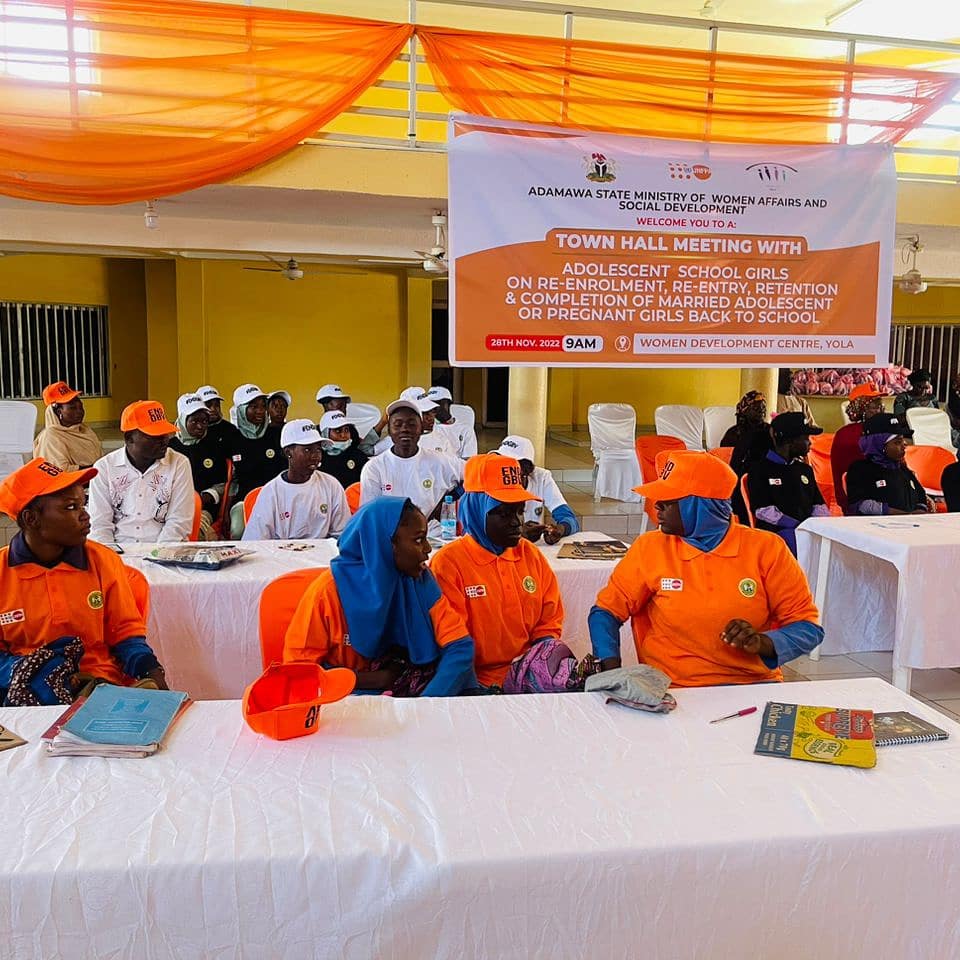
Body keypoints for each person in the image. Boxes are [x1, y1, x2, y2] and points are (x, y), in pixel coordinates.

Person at [588, 450, 823, 687]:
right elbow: (605, 612)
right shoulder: (649, 548)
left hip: (751, 686)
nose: (656, 506)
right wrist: (611, 672)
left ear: (700, 506)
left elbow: (808, 628)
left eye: (668, 500)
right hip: (671, 689)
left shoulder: (766, 549)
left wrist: (763, 643)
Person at [0, 458, 168, 705]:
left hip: (100, 687)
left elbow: (126, 635)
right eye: (70, 507)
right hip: (22, 694)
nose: (85, 516)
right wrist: (38, 670)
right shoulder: (3, 573)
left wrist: (152, 674)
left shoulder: (103, 561)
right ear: (31, 519)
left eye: (83, 504)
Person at [283, 497, 476, 696]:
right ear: (383, 544)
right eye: (418, 539)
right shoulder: (328, 592)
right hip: (345, 701)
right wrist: (375, 679)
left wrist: (428, 703)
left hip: (411, 696)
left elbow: (459, 647)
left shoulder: (420, 580)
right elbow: (299, 670)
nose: (428, 549)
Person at [431, 453, 565, 690]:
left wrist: (540, 670)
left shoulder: (531, 556)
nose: (516, 522)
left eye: (519, 511)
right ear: (476, 510)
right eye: (504, 513)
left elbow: (548, 623)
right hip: (469, 683)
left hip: (526, 678)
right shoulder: (448, 564)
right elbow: (454, 646)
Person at [88, 401, 195, 544]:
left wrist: (157, 556)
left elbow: (179, 522)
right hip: (118, 552)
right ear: (129, 438)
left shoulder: (179, 463)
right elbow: (100, 526)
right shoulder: (104, 468)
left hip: (167, 550)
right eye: (155, 436)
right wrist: (112, 559)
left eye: (165, 434)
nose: (164, 441)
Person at [359, 399, 462, 535]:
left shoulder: (440, 460)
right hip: (392, 539)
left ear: (421, 429)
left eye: (411, 424)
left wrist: (451, 497)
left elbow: (475, 472)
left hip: (433, 536)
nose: (405, 429)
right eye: (398, 424)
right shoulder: (374, 468)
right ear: (389, 431)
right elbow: (370, 517)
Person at [243, 420, 349, 541]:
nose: (316, 456)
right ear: (288, 452)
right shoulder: (271, 493)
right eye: (308, 450)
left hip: (322, 557)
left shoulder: (331, 485)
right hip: (282, 557)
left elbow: (342, 533)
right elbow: (256, 542)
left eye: (318, 449)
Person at [745, 412, 830, 555]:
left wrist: (817, 526)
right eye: (805, 438)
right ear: (790, 442)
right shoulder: (760, 469)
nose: (810, 442)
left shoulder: (805, 470)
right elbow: (763, 510)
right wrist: (797, 526)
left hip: (807, 530)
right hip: (778, 533)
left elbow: (819, 505)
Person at [494, 435, 579, 544]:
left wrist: (559, 530)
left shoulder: (542, 478)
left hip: (532, 549)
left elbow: (570, 520)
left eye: (512, 464)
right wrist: (518, 533)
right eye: (500, 461)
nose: (504, 469)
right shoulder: (490, 479)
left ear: (526, 469)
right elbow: (478, 527)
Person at [169, 393, 230, 539]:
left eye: (204, 421)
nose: (200, 426)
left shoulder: (214, 446)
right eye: (194, 421)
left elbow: (222, 483)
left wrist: (207, 496)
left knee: (195, 531)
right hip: (170, 508)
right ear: (183, 420)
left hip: (203, 509)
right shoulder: (169, 448)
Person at [846, 413, 932, 516]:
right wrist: (899, 514)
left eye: (903, 441)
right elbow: (859, 504)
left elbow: (920, 494)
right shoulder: (860, 469)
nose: (904, 446)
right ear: (879, 444)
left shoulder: (902, 468)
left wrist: (919, 509)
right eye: (897, 442)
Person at [229, 383, 285, 538]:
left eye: (263, 406)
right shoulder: (231, 438)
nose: (260, 411)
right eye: (254, 407)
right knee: (238, 529)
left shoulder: (276, 435)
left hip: (278, 500)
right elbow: (229, 480)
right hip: (244, 501)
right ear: (241, 409)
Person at [831, 383, 885, 513]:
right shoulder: (847, 435)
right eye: (875, 406)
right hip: (861, 502)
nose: (881, 410)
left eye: (881, 405)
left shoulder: (881, 430)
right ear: (862, 408)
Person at [32, 381, 103, 471]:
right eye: (72, 408)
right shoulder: (50, 437)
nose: (80, 411)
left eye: (81, 407)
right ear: (58, 412)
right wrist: (96, 470)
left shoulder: (85, 430)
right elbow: (61, 472)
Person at [895, 368, 960, 449]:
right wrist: (920, 418)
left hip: (934, 428)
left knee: (952, 434)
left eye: (926, 388)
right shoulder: (903, 398)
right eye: (919, 387)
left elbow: (937, 416)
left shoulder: (932, 398)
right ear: (913, 384)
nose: (923, 391)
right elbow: (899, 419)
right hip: (915, 430)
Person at [316, 384, 379, 456]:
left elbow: (360, 450)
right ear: (327, 406)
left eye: (345, 407)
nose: (343, 411)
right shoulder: (315, 433)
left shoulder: (352, 430)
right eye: (339, 407)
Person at [722, 390, 770, 475]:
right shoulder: (734, 433)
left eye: (763, 407)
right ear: (745, 410)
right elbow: (727, 459)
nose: (761, 411)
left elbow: (775, 455)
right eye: (756, 408)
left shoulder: (769, 430)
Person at [318, 410, 368, 488]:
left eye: (346, 430)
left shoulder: (358, 456)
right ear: (325, 433)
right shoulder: (316, 457)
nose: (343, 435)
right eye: (338, 431)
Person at [427, 385, 478, 458]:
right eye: (431, 404)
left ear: (448, 404)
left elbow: (469, 459)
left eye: (439, 403)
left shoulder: (465, 430)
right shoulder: (429, 429)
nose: (434, 408)